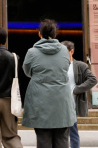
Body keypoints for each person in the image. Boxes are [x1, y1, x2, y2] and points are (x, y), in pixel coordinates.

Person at [22, 19, 76, 148]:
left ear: (39, 34)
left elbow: (27, 71)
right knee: (62, 139)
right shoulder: (64, 50)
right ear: (55, 34)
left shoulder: (32, 52)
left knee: (43, 139)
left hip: (40, 101)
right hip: (62, 101)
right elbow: (65, 67)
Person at [60, 41, 97, 148]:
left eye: (65, 52)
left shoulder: (80, 65)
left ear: (72, 51)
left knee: (72, 131)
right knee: (61, 134)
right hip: (59, 102)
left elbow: (93, 79)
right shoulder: (58, 66)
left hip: (72, 103)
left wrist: (76, 90)